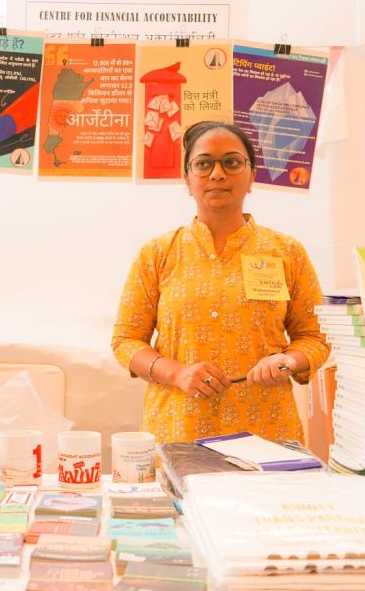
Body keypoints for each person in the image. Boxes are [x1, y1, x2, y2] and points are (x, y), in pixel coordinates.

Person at [111, 120, 329, 444]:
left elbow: (315, 337)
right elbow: (126, 341)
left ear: (251, 177)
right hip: (179, 432)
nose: (217, 174)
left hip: (266, 433)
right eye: (203, 164)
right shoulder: (158, 254)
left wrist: (287, 360)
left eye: (231, 162)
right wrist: (176, 373)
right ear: (187, 180)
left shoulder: (286, 252)